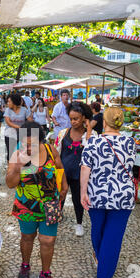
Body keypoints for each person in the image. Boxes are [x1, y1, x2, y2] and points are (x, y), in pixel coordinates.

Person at [6, 121, 68, 278]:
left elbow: (60, 168)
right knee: (27, 237)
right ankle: (25, 265)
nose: (28, 147)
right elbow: (10, 184)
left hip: (50, 204)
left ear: (41, 141)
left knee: (48, 240)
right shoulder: (17, 155)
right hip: (26, 205)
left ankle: (45, 274)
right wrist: (18, 167)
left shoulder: (50, 150)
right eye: (25, 143)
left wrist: (64, 187)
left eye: (32, 143)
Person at [80, 107, 136, 278]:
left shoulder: (93, 142)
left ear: (104, 122)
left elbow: (85, 168)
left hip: (98, 194)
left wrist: (83, 191)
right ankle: (105, 277)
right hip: (123, 196)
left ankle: (99, 258)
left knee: (98, 229)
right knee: (114, 235)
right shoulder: (130, 142)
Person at [55, 101, 96, 237]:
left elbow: (91, 149)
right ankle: (56, 217)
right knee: (59, 197)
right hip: (63, 173)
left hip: (80, 175)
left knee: (78, 200)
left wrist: (89, 128)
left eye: (76, 119)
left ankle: (79, 223)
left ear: (84, 117)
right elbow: (56, 153)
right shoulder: (63, 133)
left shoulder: (91, 135)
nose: (73, 122)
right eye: (71, 118)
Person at [4, 93, 33, 162]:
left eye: (9, 101)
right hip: (9, 134)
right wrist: (18, 127)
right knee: (11, 153)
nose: (8, 103)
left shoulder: (24, 110)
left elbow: (30, 120)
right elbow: (8, 122)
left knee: (22, 153)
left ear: (14, 102)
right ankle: (10, 170)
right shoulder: (8, 110)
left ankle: (19, 169)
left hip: (21, 135)